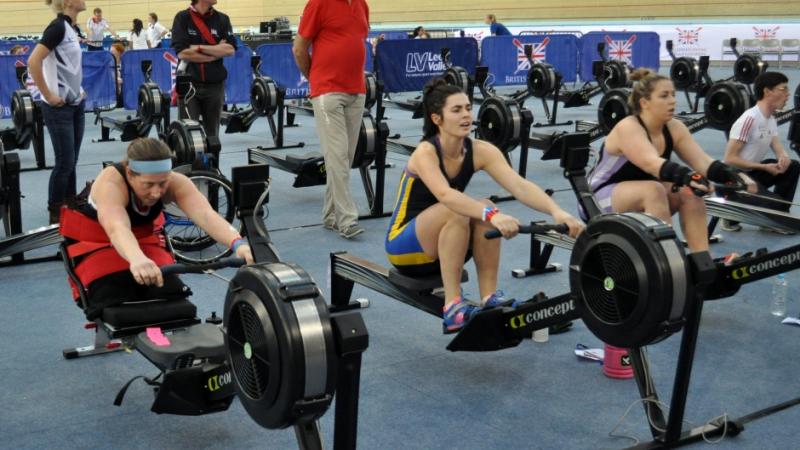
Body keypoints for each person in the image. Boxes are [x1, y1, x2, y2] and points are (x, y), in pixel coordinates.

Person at [385, 79, 584, 333]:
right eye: (456, 110)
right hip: (404, 245)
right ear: (437, 119)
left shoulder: (480, 150)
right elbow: (446, 195)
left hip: (447, 242)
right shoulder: (425, 152)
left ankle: (489, 297)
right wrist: (492, 214)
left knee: (483, 205)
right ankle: (453, 307)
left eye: (468, 107)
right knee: (468, 208)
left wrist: (558, 211)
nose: (466, 114)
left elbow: (519, 186)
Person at [59, 138, 254, 319]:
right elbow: (117, 228)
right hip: (98, 241)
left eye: (162, 183)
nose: (156, 192)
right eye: (148, 184)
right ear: (129, 174)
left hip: (142, 239)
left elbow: (206, 215)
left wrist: (238, 243)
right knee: (111, 298)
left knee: (171, 293)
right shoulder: (111, 184)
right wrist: (137, 259)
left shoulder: (176, 182)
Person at [586, 68, 756, 254]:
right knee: (654, 189)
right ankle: (669, 260)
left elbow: (703, 162)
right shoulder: (628, 127)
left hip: (640, 192)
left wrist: (733, 175)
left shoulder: (675, 127)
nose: (672, 100)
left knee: (689, 192)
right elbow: (651, 163)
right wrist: (689, 175)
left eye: (673, 95)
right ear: (645, 102)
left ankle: (702, 260)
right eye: (664, 96)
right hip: (595, 200)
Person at [293, 0, 369, 239]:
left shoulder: (361, 5)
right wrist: (315, 78)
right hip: (328, 91)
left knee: (343, 158)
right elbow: (299, 48)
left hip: (357, 90)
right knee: (337, 155)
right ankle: (347, 219)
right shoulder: (319, 3)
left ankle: (330, 215)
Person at [28, 0, 87, 224]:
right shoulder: (58, 27)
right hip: (58, 109)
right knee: (64, 162)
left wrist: (80, 90)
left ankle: (70, 209)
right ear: (68, 2)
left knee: (72, 161)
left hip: (75, 105)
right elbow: (34, 61)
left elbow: (67, 67)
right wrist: (49, 95)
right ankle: (56, 214)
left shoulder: (71, 29)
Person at [721, 71, 798, 233]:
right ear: (767, 91)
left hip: (753, 172)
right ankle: (729, 212)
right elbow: (729, 160)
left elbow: (778, 148)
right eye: (783, 89)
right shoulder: (749, 119)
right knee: (775, 203)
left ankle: (778, 216)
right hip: (734, 179)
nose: (788, 94)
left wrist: (783, 158)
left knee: (793, 166)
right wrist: (764, 167)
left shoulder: (770, 118)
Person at [171, 0, 236, 138]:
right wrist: (214, 54)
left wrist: (198, 47)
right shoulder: (182, 18)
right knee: (187, 134)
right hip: (189, 86)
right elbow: (183, 53)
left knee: (213, 135)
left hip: (215, 86)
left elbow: (230, 49)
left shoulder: (222, 19)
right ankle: (189, 161)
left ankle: (213, 160)